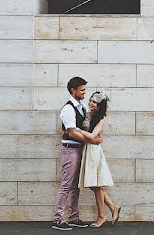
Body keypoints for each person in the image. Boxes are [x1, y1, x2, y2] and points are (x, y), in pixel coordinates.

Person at [53, 77, 103, 230]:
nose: (84, 93)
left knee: (75, 186)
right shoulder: (68, 108)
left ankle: (74, 217)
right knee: (67, 185)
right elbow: (72, 133)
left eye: (85, 90)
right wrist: (91, 140)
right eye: (82, 90)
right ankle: (58, 219)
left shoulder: (80, 107)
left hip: (78, 150)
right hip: (70, 150)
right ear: (73, 90)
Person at [76, 91, 121, 227]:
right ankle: (113, 207)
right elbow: (91, 138)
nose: (91, 103)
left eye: (94, 102)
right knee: (94, 184)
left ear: (100, 105)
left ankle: (102, 216)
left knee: (96, 185)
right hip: (88, 150)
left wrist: (76, 130)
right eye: (90, 100)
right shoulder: (87, 114)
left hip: (94, 152)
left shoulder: (101, 118)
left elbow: (93, 136)